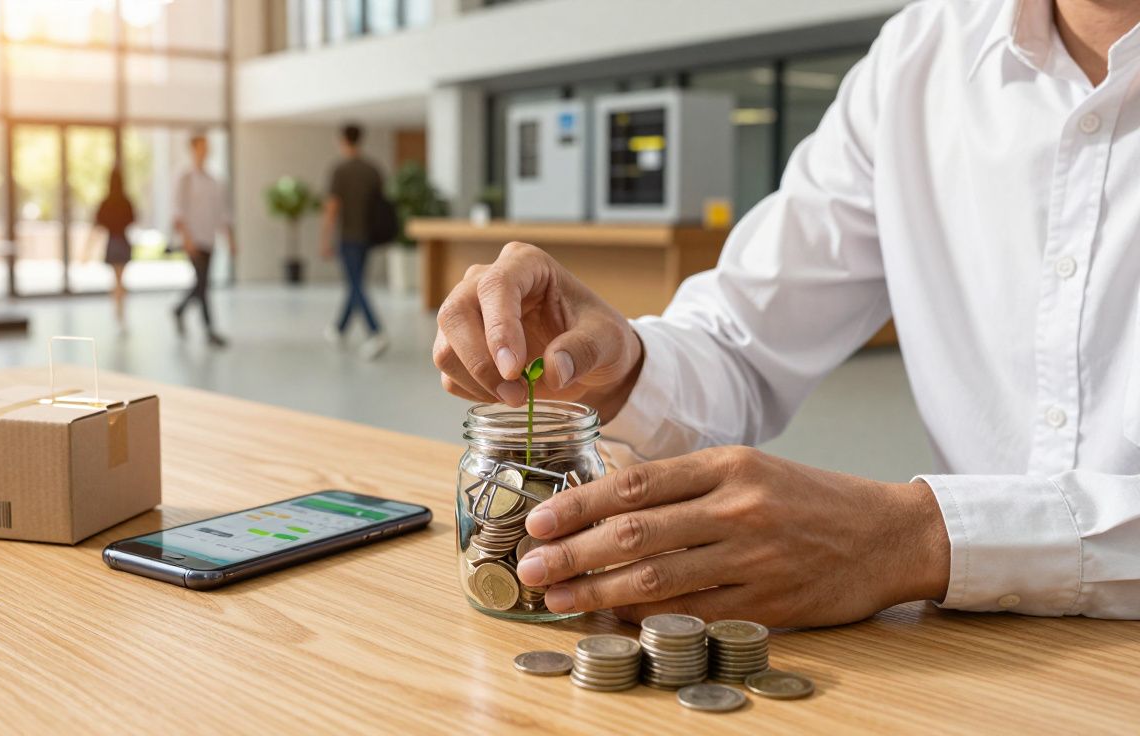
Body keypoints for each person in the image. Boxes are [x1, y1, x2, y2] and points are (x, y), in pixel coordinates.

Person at [432, 0, 1140, 627]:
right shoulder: (918, 59)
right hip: (981, 655)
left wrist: (921, 539)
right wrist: (622, 367)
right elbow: (743, 340)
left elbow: (921, 540)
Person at [321, 123, 388, 361]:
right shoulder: (372, 169)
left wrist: (325, 237)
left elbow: (332, 207)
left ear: (342, 140)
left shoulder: (340, 170)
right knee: (355, 283)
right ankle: (338, 329)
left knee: (356, 285)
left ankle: (376, 332)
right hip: (367, 237)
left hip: (348, 236)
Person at [173, 131, 236, 348]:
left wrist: (230, 239)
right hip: (194, 239)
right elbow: (179, 213)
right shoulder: (185, 179)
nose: (205, 150)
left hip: (210, 239)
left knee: (202, 284)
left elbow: (223, 214)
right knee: (203, 285)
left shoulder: (214, 180)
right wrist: (186, 240)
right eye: (201, 146)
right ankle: (210, 331)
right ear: (193, 149)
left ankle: (179, 310)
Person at [94, 166, 136, 329]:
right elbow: (133, 218)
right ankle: (121, 311)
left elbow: (99, 222)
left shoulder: (107, 202)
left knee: (116, 279)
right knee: (120, 279)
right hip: (123, 241)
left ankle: (118, 310)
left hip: (112, 241)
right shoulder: (125, 201)